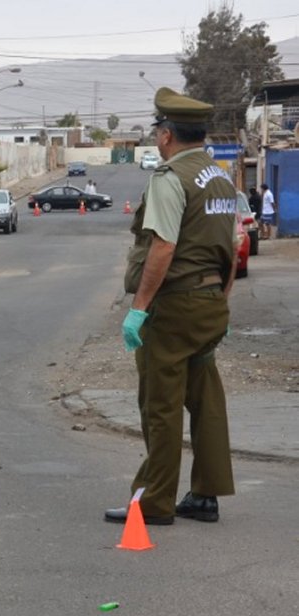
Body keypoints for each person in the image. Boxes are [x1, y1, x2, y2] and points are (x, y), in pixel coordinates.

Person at [108, 87, 240, 526]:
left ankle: (154, 502)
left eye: (158, 132)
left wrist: (139, 308)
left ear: (166, 135)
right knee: (206, 401)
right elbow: (235, 244)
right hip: (209, 304)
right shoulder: (220, 177)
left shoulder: (170, 178)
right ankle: (206, 495)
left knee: (160, 404)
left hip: (174, 306)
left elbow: (163, 247)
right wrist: (219, 299)